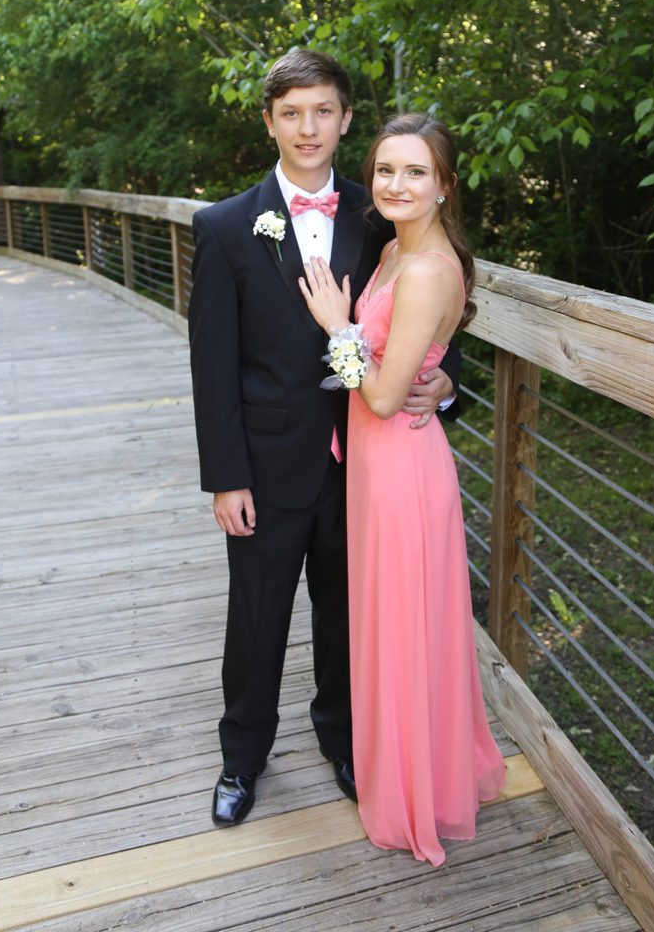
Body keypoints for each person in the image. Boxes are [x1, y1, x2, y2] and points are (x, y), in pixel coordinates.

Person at [188, 50, 462, 827]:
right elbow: (211, 364)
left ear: (345, 120)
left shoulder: (384, 213)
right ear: (269, 122)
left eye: (323, 112)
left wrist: (446, 383)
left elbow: (436, 312)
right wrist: (226, 476)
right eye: (291, 113)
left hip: (366, 469)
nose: (308, 128)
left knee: (349, 618)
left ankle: (345, 743)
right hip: (267, 466)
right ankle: (242, 757)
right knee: (256, 617)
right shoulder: (225, 227)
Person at [299, 112, 506, 866]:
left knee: (402, 625)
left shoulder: (425, 269)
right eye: (386, 169)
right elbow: (409, 362)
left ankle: (415, 792)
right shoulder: (392, 249)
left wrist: (336, 325)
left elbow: (385, 397)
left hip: (401, 470)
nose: (396, 184)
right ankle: (404, 768)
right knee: (390, 623)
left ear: (444, 184)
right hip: (374, 465)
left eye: (416, 171)